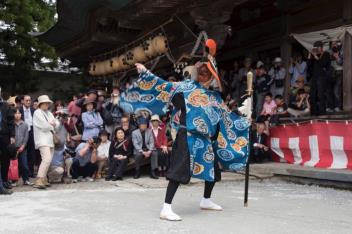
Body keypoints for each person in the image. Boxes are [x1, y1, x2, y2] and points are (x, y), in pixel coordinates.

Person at [120, 39, 250, 221]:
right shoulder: (186, 87)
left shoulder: (214, 97)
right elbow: (164, 87)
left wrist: (245, 116)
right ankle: (166, 208)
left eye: (208, 72)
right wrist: (147, 73)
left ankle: (206, 200)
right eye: (202, 71)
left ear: (213, 76)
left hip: (205, 139)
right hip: (187, 136)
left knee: (212, 170)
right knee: (178, 171)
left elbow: (227, 117)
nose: (204, 74)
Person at [32, 95, 60, 189]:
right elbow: (44, 126)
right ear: (41, 104)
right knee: (46, 159)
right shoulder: (37, 113)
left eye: (48, 103)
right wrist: (52, 124)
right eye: (45, 103)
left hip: (50, 139)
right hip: (42, 139)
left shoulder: (49, 113)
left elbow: (57, 123)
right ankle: (39, 179)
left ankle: (43, 179)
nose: (47, 104)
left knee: (48, 160)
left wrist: (53, 124)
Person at [308, 40, 332, 115]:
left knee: (320, 95)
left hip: (322, 77)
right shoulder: (314, 55)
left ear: (321, 47)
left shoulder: (326, 54)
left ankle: (322, 112)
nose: (316, 49)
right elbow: (309, 65)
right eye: (315, 47)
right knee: (312, 95)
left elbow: (323, 64)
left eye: (318, 47)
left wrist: (315, 56)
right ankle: (313, 112)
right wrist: (310, 55)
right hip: (314, 77)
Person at [0, 95, 16, 191]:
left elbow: (11, 121)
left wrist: (12, 136)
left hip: (4, 135)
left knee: (5, 159)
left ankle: (5, 180)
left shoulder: (6, 105)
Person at [14, 108, 32, 185]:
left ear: (21, 114)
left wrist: (23, 146)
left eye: (19, 113)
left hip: (22, 148)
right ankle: (14, 180)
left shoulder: (25, 124)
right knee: (14, 165)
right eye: (16, 113)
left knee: (24, 164)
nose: (17, 115)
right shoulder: (11, 124)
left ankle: (26, 179)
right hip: (13, 148)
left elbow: (26, 137)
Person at [20, 95, 37, 178]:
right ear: (23, 101)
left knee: (32, 153)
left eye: (30, 100)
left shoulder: (34, 110)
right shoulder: (19, 110)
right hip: (22, 133)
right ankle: (21, 173)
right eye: (26, 100)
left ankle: (31, 172)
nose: (28, 102)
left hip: (31, 132)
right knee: (22, 152)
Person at [328, 39, 343, 112]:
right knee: (329, 90)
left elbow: (341, 62)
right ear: (330, 45)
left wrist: (337, 56)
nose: (334, 45)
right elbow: (327, 61)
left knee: (336, 90)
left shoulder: (341, 51)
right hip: (330, 72)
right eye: (333, 44)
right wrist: (331, 55)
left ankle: (337, 106)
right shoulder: (329, 51)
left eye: (335, 44)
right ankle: (331, 107)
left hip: (339, 71)